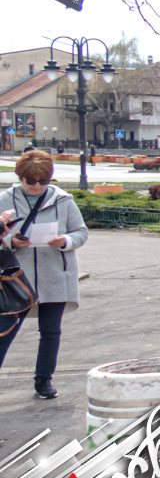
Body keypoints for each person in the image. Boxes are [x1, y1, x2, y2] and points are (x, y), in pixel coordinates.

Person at [0, 150, 89, 399]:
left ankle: (44, 380)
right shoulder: (5, 199)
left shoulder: (63, 200)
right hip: (16, 279)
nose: (37, 186)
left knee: (50, 331)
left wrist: (64, 241)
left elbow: (81, 232)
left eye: (43, 181)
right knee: (5, 330)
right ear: (20, 177)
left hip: (54, 275)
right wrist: (10, 240)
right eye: (31, 181)